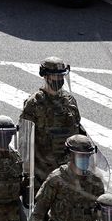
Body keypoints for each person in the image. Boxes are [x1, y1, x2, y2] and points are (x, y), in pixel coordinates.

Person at [25, 134, 105, 221]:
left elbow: (102, 214)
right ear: (70, 155)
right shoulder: (57, 179)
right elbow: (40, 209)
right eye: (81, 156)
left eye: (87, 156)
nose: (85, 159)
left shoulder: (95, 183)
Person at [20, 56, 82, 189]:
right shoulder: (34, 104)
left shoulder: (69, 101)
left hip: (67, 172)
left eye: (61, 77)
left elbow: (78, 132)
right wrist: (27, 174)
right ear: (46, 76)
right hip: (41, 173)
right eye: (55, 76)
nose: (59, 80)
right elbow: (25, 140)